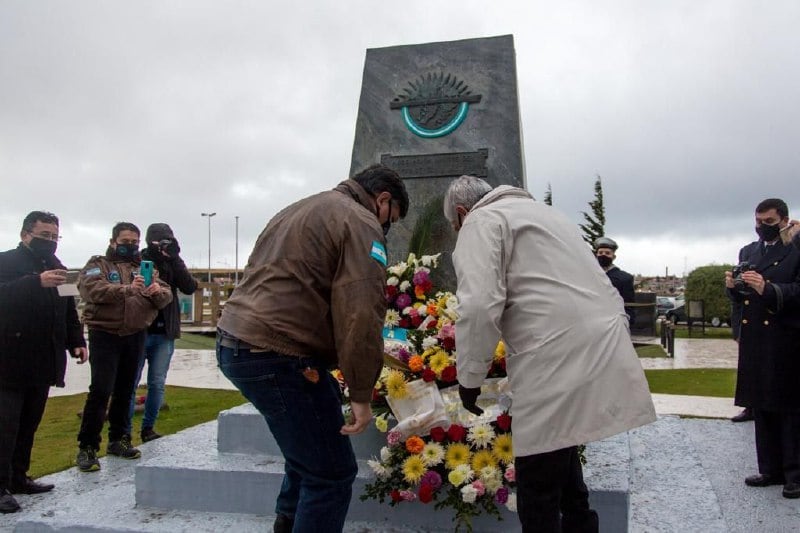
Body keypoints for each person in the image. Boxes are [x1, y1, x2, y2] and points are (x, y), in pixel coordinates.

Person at [445, 176, 656, 532]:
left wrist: (469, 379)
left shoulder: (481, 221)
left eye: (455, 227)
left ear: (463, 213)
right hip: (600, 341)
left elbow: (480, 306)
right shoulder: (548, 215)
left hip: (554, 354)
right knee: (565, 463)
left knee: (538, 486)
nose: (458, 231)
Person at [216, 164, 408, 533]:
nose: (386, 228)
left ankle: (286, 523)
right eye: (391, 220)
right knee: (332, 473)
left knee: (306, 453)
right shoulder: (361, 222)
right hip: (278, 352)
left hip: (238, 341)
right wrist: (362, 395)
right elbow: (361, 313)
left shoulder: (297, 209)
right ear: (382, 200)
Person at [0, 211, 88, 513]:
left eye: (54, 237)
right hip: (8, 361)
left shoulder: (57, 267)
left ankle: (18, 477)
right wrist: (35, 283)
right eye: (44, 235)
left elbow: (68, 309)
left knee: (29, 424)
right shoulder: (5, 262)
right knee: (5, 427)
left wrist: (76, 341)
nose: (49, 241)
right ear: (25, 234)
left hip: (42, 362)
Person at [75, 222, 172, 473]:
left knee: (126, 390)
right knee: (101, 390)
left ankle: (119, 439)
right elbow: (91, 289)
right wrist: (127, 289)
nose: (130, 246)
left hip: (135, 334)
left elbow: (166, 295)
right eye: (125, 241)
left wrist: (154, 290)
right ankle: (87, 446)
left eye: (134, 242)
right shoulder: (98, 265)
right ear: (113, 241)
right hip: (104, 334)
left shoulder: (143, 268)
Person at [725, 198, 800, 499]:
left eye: (768, 222)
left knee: (789, 408)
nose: (762, 228)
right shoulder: (749, 251)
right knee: (762, 404)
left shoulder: (796, 250)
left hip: (787, 338)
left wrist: (768, 289)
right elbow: (742, 296)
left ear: (783, 220)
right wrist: (733, 287)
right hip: (756, 338)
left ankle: (794, 474)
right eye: (758, 222)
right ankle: (769, 469)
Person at [127, 223, 197, 443]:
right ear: (150, 242)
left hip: (165, 331)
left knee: (157, 382)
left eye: (168, 240)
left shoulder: (173, 261)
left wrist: (174, 258)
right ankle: (123, 432)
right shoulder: (138, 259)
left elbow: (189, 286)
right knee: (131, 381)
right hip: (140, 329)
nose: (164, 244)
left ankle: (148, 428)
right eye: (160, 241)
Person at [594, 236, 636, 324]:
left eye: (607, 253)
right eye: (600, 252)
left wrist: (625, 322)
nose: (603, 255)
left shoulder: (625, 278)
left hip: (613, 322)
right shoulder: (589, 274)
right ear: (596, 255)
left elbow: (628, 306)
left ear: (613, 257)